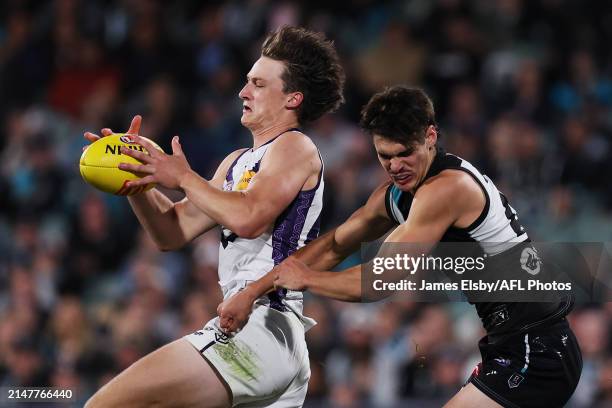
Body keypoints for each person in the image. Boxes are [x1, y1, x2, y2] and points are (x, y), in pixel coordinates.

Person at [218, 86, 583, 407]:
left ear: (430, 136)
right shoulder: (398, 194)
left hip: (538, 349)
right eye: (384, 155)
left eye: (404, 152)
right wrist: (253, 290)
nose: (394, 165)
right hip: (512, 343)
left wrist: (308, 280)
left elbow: (382, 280)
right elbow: (334, 244)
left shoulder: (447, 189)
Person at [83, 26, 345, 408]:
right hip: (263, 338)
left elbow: (250, 217)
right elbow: (171, 232)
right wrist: (136, 180)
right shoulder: (235, 163)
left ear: (293, 98)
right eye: (246, 82)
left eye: (258, 83)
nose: (243, 92)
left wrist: (184, 177)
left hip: (263, 328)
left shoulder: (295, 146)